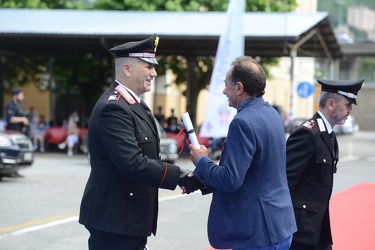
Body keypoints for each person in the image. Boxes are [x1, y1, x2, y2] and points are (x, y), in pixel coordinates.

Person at [78, 34, 202, 250]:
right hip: (114, 221)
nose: (154, 72)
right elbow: (132, 162)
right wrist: (180, 176)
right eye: (148, 66)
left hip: (129, 220)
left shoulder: (136, 105)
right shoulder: (113, 107)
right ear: (127, 69)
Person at [188, 56, 297, 250]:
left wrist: (202, 161)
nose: (224, 91)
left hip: (258, 232)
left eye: (226, 85)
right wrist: (200, 177)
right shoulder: (272, 114)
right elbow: (256, 172)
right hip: (281, 225)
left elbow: (231, 179)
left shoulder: (242, 122)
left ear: (239, 88)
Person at [286, 79, 364, 250]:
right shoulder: (307, 134)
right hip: (299, 231)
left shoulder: (328, 134)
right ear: (331, 104)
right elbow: (285, 183)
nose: (350, 110)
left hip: (318, 227)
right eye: (347, 104)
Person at [5, 88, 30, 177]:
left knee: (19, 152)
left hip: (19, 132)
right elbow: (10, 119)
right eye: (21, 95)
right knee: (13, 151)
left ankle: (15, 170)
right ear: (15, 95)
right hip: (12, 132)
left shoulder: (19, 106)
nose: (22, 97)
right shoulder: (10, 106)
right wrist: (22, 119)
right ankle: (10, 171)